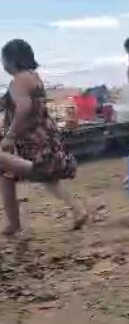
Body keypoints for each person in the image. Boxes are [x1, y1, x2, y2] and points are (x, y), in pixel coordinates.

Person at [0, 39, 88, 236]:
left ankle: (76, 207)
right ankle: (13, 223)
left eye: (3, 60)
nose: (2, 65)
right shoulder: (33, 77)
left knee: (38, 173)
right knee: (7, 174)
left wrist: (10, 136)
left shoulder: (19, 80)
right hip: (41, 134)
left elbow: (24, 108)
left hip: (32, 139)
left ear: (12, 60)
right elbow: (22, 103)